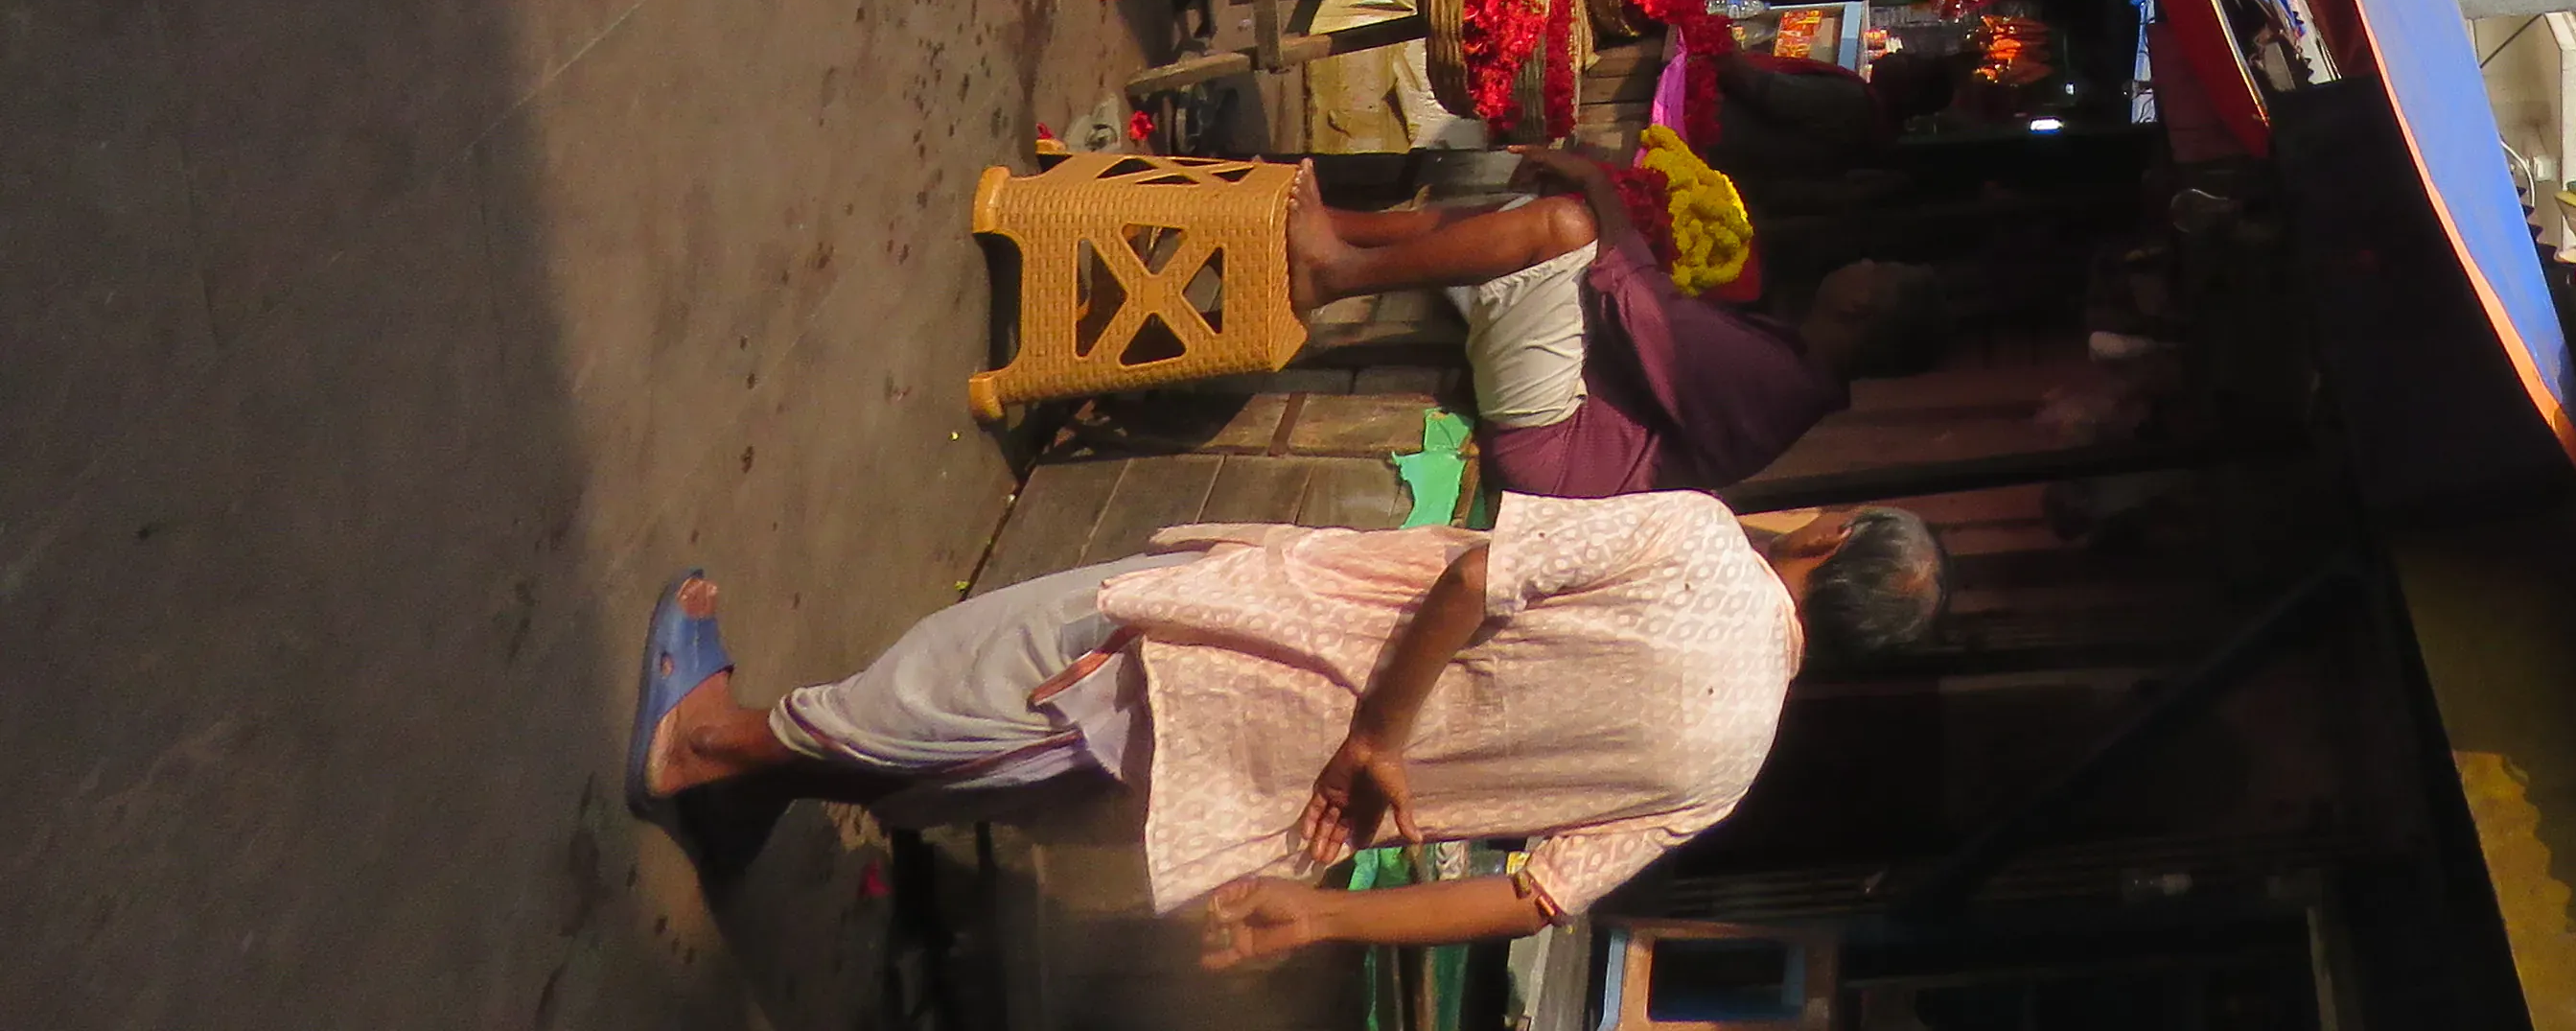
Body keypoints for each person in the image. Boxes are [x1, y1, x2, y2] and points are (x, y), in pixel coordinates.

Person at [625, 489, 1945, 967]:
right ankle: (760, 784)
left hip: (1256, 655)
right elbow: (1537, 897)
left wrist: (1384, 733)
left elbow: (1478, 576)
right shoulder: (1730, 769)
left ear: (1830, 535)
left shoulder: (1704, 541)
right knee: (1022, 768)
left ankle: (707, 745)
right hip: (1269, 810)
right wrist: (1319, 918)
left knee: (988, 680)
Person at [1284, 150, 1948, 498]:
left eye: (1879, 269)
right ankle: (1342, 229)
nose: (1864, 261)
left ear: (1861, 311)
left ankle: (1334, 275)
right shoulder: (1793, 362)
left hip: (1551, 439)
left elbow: (1646, 309)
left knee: (1562, 226)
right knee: (1525, 217)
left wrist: (1600, 189)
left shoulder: (1779, 382)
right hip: (1571, 401)